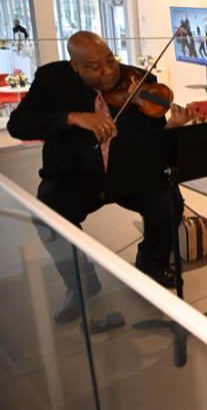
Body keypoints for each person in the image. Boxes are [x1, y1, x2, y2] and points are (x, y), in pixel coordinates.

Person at [7, 31, 193, 324]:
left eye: (111, 60)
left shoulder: (138, 81)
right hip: (76, 176)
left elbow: (154, 140)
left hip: (130, 171)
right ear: (75, 66)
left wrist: (171, 128)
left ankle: (150, 263)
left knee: (169, 199)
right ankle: (80, 285)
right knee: (48, 209)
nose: (108, 72)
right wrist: (72, 117)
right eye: (94, 67)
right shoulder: (52, 80)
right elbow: (18, 124)